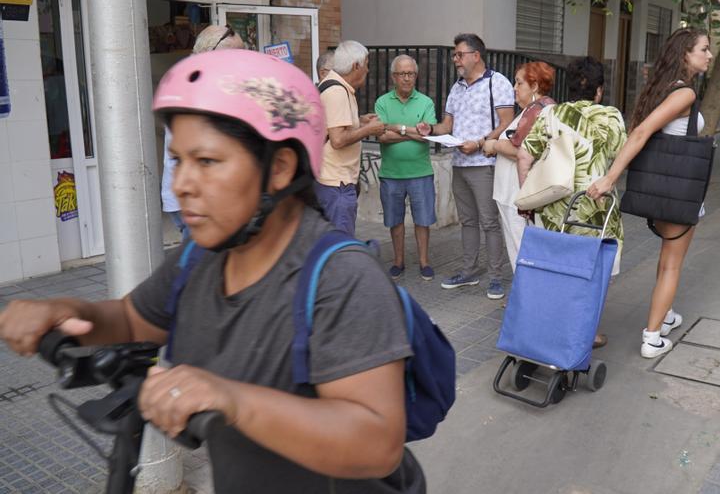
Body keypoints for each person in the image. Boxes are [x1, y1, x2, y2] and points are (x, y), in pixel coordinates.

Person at [0, 50, 425, 493]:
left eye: (206, 161)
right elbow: (132, 320)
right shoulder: (200, 258)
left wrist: (232, 399)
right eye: (178, 160)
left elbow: (376, 444)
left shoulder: (341, 277)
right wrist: (67, 312)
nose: (182, 183)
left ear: (279, 168)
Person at [587, 27, 713, 359]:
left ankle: (665, 313)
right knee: (672, 264)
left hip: (660, 187)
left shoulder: (662, 89)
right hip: (678, 190)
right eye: (704, 49)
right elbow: (641, 132)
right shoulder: (683, 94)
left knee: (667, 259)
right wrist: (610, 178)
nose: (709, 55)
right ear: (686, 53)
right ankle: (652, 336)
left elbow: (643, 131)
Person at [516, 56, 626, 349]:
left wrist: (528, 198)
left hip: (554, 211)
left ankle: (551, 329)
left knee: (555, 271)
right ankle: (584, 334)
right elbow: (620, 157)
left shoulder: (551, 114)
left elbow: (524, 155)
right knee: (592, 275)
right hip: (595, 210)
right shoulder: (611, 117)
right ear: (599, 90)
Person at [417, 33, 515, 300]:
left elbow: (507, 122)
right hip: (459, 163)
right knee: (468, 221)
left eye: (459, 54)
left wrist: (481, 142)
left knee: (489, 222)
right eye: (454, 55)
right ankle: (469, 271)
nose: (455, 59)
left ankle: (496, 277)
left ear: (476, 55)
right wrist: (431, 129)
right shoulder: (456, 87)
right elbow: (447, 126)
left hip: (485, 162)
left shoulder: (498, 83)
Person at [161, 25, 245, 242]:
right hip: (196, 199)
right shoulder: (194, 88)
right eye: (236, 56)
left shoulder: (199, 82)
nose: (242, 63)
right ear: (211, 54)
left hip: (203, 197)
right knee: (201, 264)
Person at [482, 61, 555, 270]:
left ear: (534, 86)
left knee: (520, 250)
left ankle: (526, 298)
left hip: (516, 194)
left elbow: (523, 152)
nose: (514, 88)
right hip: (514, 192)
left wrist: (494, 145)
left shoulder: (537, 110)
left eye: (519, 83)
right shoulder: (534, 109)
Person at [375, 55, 438, 281]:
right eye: (402, 74)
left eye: (411, 73)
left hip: (420, 172)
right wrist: (411, 131)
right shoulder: (382, 102)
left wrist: (397, 129)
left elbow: (426, 136)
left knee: (423, 220)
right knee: (395, 221)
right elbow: (381, 136)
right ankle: (398, 262)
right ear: (394, 76)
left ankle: (424, 262)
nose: (407, 78)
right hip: (391, 174)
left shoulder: (426, 102)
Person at [316, 40, 386, 236]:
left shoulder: (336, 85)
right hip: (336, 184)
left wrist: (360, 121)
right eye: (367, 64)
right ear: (356, 65)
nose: (368, 70)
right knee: (340, 245)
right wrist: (369, 129)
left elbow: (334, 126)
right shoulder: (337, 91)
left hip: (332, 182)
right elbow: (338, 140)